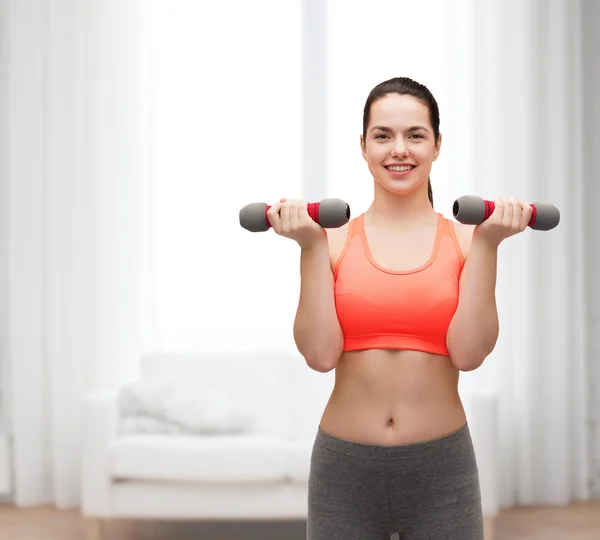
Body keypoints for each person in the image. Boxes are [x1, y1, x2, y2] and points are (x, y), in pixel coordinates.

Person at [266, 77, 532, 540]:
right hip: (344, 469)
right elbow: (319, 355)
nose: (399, 150)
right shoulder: (330, 240)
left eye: (415, 135)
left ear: (437, 145)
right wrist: (308, 247)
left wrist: (489, 243)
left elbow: (468, 354)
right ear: (364, 145)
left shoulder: (469, 240)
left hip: (441, 470)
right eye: (383, 135)